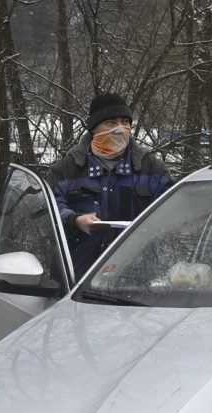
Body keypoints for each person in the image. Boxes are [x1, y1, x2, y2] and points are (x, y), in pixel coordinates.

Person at [48, 93, 173, 278]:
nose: (120, 129)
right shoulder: (68, 168)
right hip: (77, 277)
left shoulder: (149, 167)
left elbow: (172, 209)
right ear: (94, 128)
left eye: (125, 122)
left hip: (136, 278)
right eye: (111, 123)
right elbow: (48, 209)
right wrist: (74, 220)